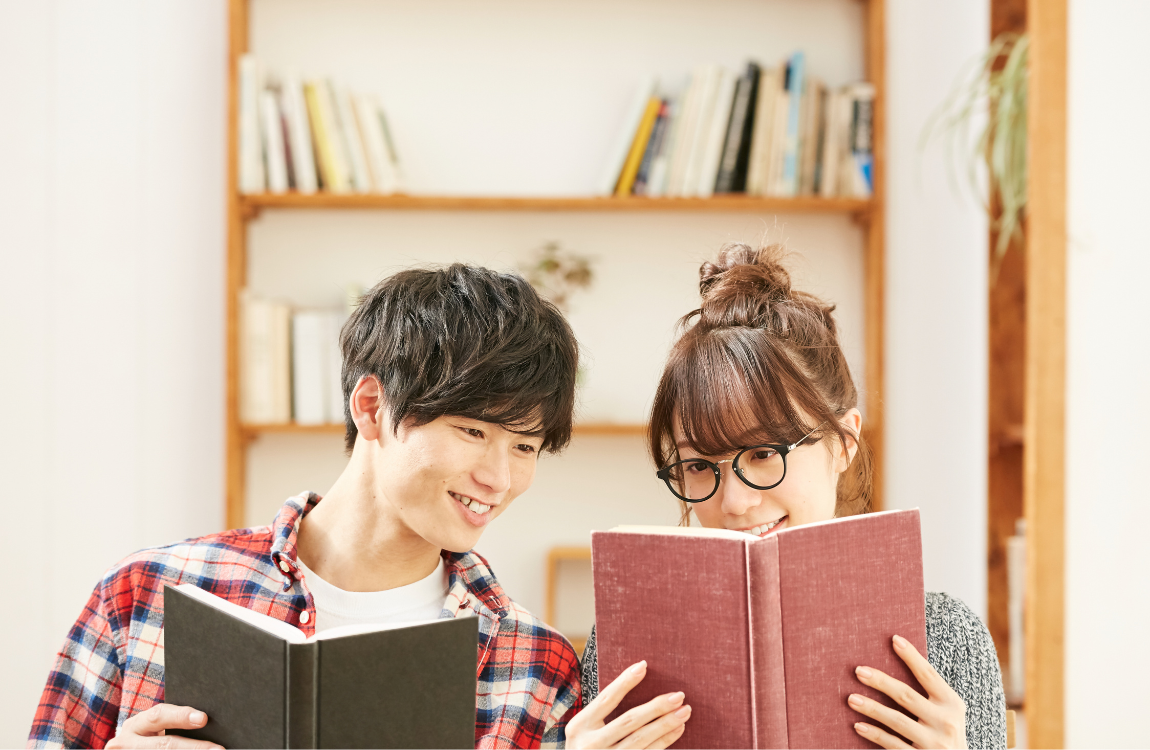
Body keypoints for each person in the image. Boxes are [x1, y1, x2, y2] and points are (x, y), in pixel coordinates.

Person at [30, 264, 584, 749]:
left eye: (524, 447)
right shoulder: (145, 593)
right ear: (372, 407)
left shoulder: (537, 668)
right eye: (473, 432)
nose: (499, 478)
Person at [568, 244, 1007, 750]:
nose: (733, 502)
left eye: (762, 454)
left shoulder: (947, 640)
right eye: (699, 466)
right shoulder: (628, 645)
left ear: (844, 442)